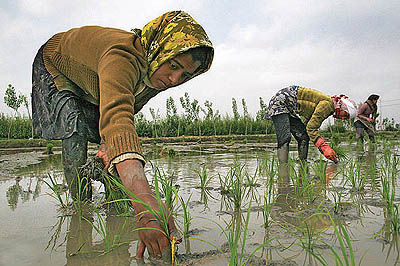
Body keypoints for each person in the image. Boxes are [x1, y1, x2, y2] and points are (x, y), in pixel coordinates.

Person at [31, 11, 214, 260]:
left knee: (115, 151)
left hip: (96, 82)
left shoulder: (155, 74)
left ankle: (115, 206)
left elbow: (125, 112)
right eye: (173, 66)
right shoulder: (122, 57)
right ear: (159, 49)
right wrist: (145, 206)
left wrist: (110, 145)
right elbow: (118, 119)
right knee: (72, 124)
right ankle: (80, 204)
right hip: (57, 64)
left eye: (185, 75)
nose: (174, 80)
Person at [265, 85, 357, 168]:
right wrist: (325, 148)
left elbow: (308, 126)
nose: (343, 118)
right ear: (342, 106)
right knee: (284, 138)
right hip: (281, 103)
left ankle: (303, 165)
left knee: (304, 137)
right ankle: (283, 169)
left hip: (289, 107)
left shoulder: (328, 106)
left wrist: (322, 149)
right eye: (345, 114)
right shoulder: (328, 105)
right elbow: (311, 128)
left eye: (346, 118)